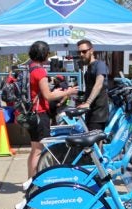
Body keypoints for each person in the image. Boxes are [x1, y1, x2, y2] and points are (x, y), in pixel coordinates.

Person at [26, 41, 78, 179]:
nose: (48, 55)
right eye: (47, 52)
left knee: (34, 150)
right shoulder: (39, 71)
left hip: (31, 113)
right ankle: (34, 181)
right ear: (43, 53)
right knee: (39, 151)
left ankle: (31, 179)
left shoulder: (30, 68)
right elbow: (48, 96)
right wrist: (68, 91)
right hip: (40, 114)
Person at [76, 39, 110, 132]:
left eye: (84, 51)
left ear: (91, 50)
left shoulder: (100, 65)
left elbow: (98, 84)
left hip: (98, 113)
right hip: (90, 112)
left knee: (95, 142)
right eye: (79, 52)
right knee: (92, 143)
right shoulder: (88, 68)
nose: (81, 54)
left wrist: (88, 103)